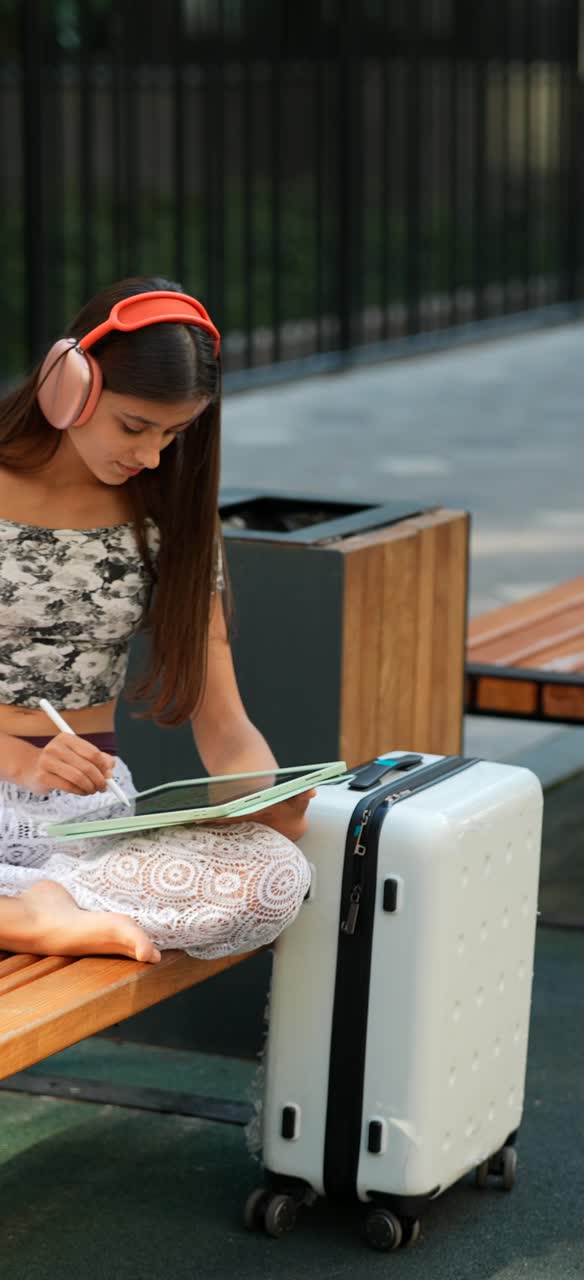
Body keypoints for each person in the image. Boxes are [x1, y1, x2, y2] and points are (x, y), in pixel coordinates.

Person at [0, 276, 312, 965]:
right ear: (68, 384)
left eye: (175, 434)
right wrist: (20, 757)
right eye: (134, 426)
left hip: (79, 828)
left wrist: (263, 802)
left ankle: (41, 902)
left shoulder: (169, 522)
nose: (149, 455)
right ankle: (28, 919)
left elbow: (226, 727)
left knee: (277, 875)